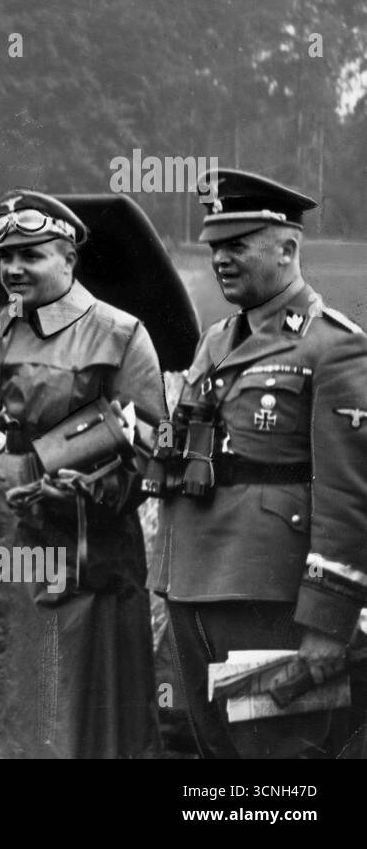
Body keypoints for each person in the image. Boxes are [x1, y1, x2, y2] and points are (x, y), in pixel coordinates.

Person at [0, 189, 166, 758]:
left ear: (69, 257)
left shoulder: (119, 334)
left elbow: (147, 443)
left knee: (56, 700)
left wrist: (83, 493)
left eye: (32, 255)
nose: (13, 269)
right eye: (5, 257)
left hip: (70, 537)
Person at [150, 168, 367, 758]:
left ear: (288, 248)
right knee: (216, 755)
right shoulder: (215, 340)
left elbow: (348, 497)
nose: (220, 258)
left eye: (237, 245)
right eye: (215, 246)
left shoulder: (335, 346)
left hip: (271, 597)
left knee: (278, 760)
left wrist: (328, 622)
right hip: (192, 584)